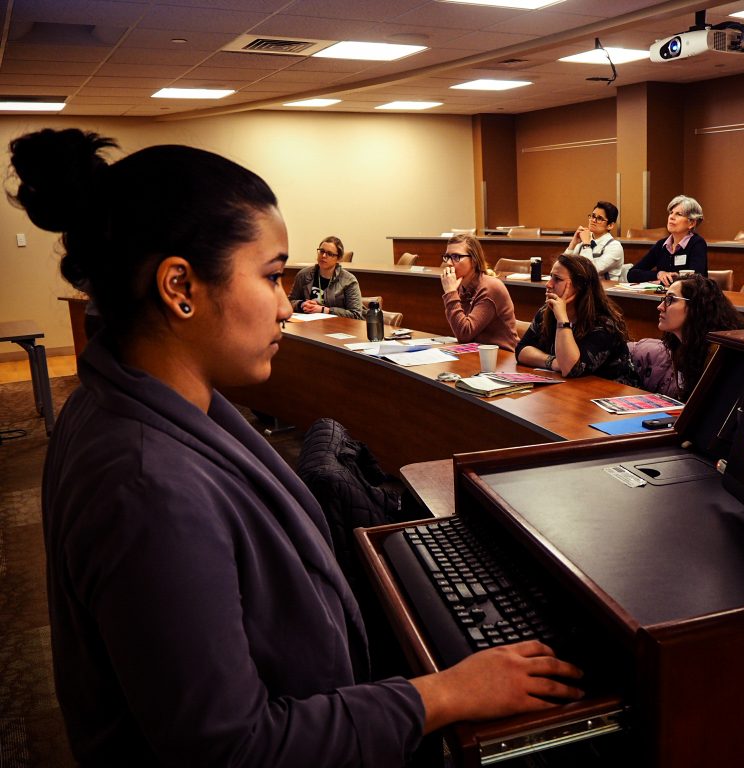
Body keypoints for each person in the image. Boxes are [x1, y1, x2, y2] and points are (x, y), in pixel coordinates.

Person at [8, 128, 582, 766]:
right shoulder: (147, 486)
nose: (286, 306)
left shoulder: (153, 399)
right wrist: (442, 695)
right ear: (180, 287)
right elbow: (235, 748)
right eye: (272, 276)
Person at [516, 253, 638, 384]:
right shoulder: (547, 312)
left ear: (579, 286)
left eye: (557, 279)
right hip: (573, 391)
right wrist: (553, 362)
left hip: (610, 393)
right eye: (550, 277)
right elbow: (521, 350)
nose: (548, 284)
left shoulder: (604, 323)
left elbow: (571, 369)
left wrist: (562, 319)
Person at [628, 274, 744, 401]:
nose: (660, 307)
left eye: (671, 300)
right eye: (663, 299)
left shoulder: (719, 352)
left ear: (697, 306)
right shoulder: (680, 345)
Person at [440, 233, 519, 351]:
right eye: (448, 257)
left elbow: (464, 334)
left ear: (474, 260)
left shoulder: (490, 288)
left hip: (502, 356)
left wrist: (450, 293)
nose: (449, 263)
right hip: (476, 350)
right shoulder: (461, 286)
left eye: (456, 257)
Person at [626, 195, 707, 285]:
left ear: (691, 223)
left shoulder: (697, 243)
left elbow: (696, 279)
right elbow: (631, 274)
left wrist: (666, 281)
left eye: (679, 214)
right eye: (671, 213)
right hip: (661, 296)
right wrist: (658, 274)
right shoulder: (661, 245)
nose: (671, 217)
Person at [289, 235, 365, 318]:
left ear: (338, 258)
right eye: (321, 251)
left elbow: (356, 314)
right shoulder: (304, 275)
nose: (324, 256)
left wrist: (324, 310)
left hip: (337, 327)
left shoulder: (348, 280)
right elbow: (289, 302)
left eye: (329, 254)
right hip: (308, 325)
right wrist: (302, 304)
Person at [562, 201, 624, 281]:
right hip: (582, 288)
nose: (593, 220)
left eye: (599, 218)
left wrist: (586, 245)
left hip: (604, 291)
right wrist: (573, 244)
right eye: (593, 216)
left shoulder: (614, 247)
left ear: (610, 225)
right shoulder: (584, 241)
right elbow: (563, 267)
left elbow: (591, 271)